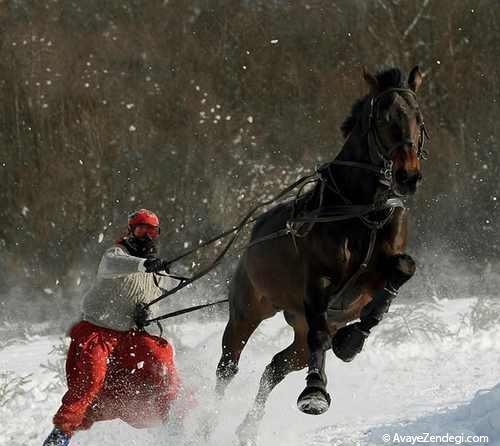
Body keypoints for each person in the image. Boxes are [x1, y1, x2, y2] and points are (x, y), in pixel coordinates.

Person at [43, 209, 180, 446]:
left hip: (131, 336)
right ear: (130, 231)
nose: (146, 237)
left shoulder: (158, 270)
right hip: (98, 332)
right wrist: (146, 264)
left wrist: (146, 314)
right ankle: (60, 436)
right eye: (141, 230)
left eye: (152, 231)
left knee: (162, 360)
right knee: (91, 379)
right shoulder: (115, 255)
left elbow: (154, 302)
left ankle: (172, 423)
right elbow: (119, 264)